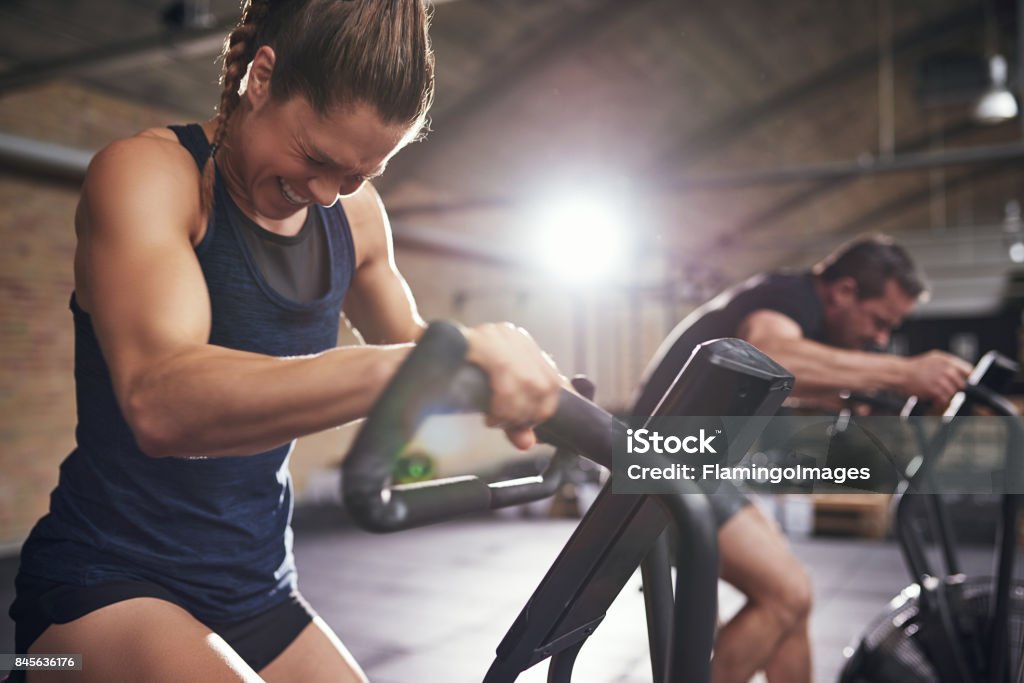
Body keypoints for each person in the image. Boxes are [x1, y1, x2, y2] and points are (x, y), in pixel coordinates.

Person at [7, 2, 565, 682]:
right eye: (316, 158)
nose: (328, 194)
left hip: (255, 585)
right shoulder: (150, 177)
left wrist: (512, 377)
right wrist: (411, 365)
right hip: (98, 587)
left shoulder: (353, 220)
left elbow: (416, 348)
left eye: (359, 175)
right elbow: (162, 400)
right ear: (261, 78)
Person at [633, 234, 973, 683]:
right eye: (878, 321)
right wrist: (905, 372)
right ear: (844, 291)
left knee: (793, 606)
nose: (879, 337)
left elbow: (773, 375)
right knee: (787, 594)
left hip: (695, 467)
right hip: (659, 464)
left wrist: (854, 392)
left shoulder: (806, 318)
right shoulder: (786, 295)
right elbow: (768, 353)